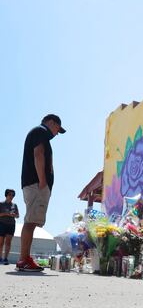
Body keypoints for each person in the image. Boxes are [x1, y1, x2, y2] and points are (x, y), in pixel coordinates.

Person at [17, 114, 66, 271]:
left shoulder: (40, 133)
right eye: (57, 129)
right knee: (30, 222)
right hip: (36, 184)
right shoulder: (40, 131)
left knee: (32, 221)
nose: (56, 134)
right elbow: (38, 154)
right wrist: (43, 181)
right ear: (51, 122)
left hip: (34, 184)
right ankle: (23, 260)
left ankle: (24, 259)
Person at [0, 189, 19, 265]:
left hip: (11, 225)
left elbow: (18, 215)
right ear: (6, 195)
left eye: (13, 195)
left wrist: (15, 215)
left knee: (8, 242)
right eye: (10, 194)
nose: (12, 196)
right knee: (1, 243)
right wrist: (7, 213)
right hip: (2, 224)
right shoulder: (1, 204)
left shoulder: (15, 205)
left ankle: (5, 258)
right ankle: (0, 258)